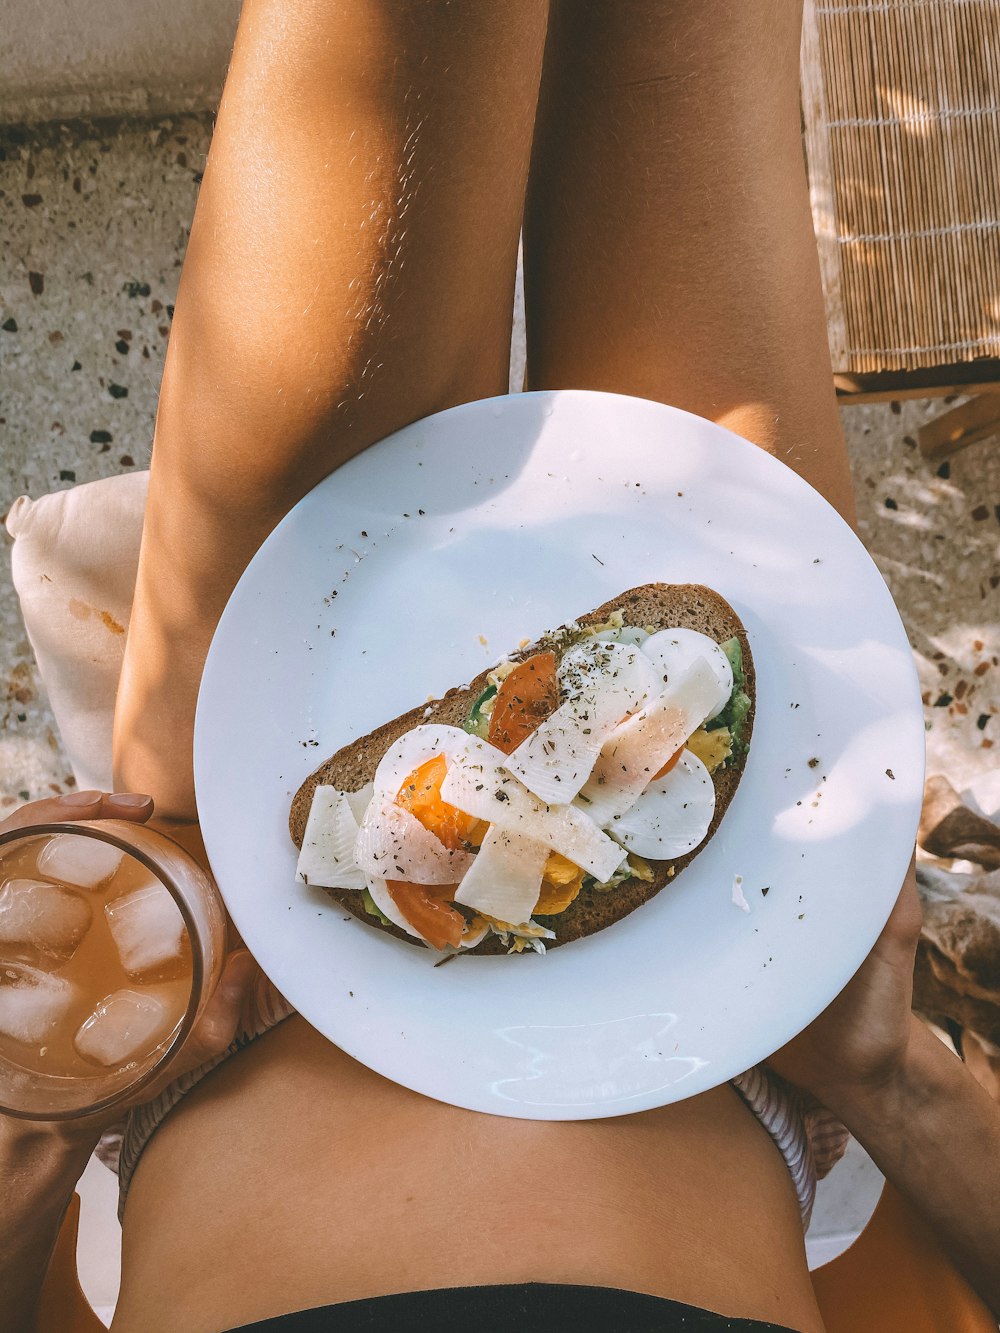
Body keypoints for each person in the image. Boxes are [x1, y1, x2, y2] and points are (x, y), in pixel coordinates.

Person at [3, 4, 999, 1330]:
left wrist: (42, 1122)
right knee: (690, 45)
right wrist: (896, 1080)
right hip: (726, 1002)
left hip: (234, 957)